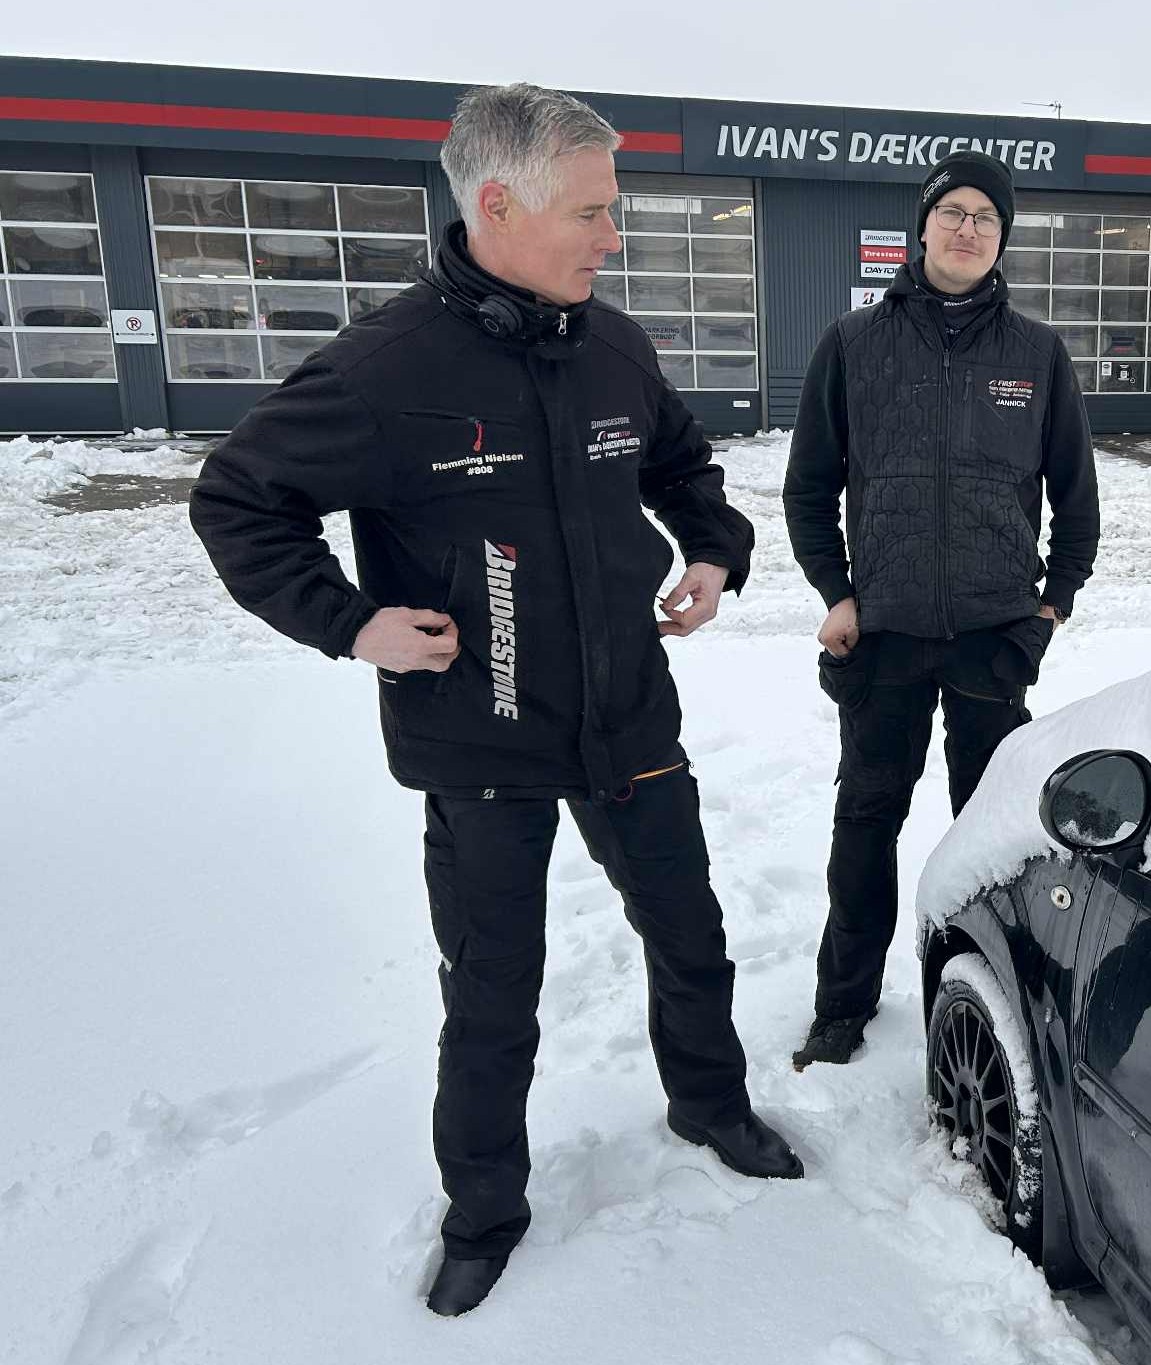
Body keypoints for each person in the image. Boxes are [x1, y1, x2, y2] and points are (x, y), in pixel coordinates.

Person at [188, 83, 801, 1319]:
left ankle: (709, 1105)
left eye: (613, 210)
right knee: (491, 993)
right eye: (592, 212)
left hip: (627, 714)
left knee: (689, 935)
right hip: (481, 735)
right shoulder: (386, 368)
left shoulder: (612, 343)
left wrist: (712, 550)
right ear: (500, 205)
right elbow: (238, 500)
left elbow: (681, 463)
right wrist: (350, 622)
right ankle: (483, 1212)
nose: (613, 236)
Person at [783, 150, 1100, 1069]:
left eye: (986, 217)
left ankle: (1003, 996)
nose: (968, 228)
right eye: (953, 211)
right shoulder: (854, 345)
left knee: (995, 834)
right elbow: (809, 487)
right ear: (922, 227)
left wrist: (1052, 605)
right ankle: (843, 1002)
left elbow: (1076, 498)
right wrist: (837, 593)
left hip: (993, 640)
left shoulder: (1036, 354)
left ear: (1002, 239)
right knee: (865, 824)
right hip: (882, 637)